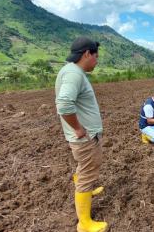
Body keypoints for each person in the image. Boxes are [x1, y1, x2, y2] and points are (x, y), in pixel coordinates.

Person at [55, 37, 108, 232]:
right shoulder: (74, 74)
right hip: (85, 138)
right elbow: (64, 104)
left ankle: (88, 189)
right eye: (96, 56)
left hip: (84, 137)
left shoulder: (70, 71)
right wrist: (78, 128)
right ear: (87, 54)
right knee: (87, 172)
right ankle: (84, 223)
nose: (97, 61)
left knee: (84, 169)